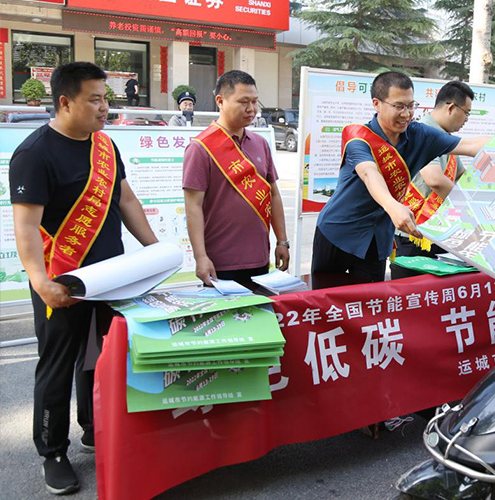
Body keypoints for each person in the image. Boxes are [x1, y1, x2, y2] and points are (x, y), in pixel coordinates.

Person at [10, 62, 158, 495]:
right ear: (65, 102)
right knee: (58, 364)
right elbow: (25, 227)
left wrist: (155, 252)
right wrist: (41, 281)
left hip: (112, 278)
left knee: (102, 358)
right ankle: (53, 451)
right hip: (62, 281)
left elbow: (126, 200)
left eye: (106, 98)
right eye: (95, 99)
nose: (104, 107)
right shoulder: (34, 154)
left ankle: (95, 427)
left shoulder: (104, 145)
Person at [312, 71, 495, 283]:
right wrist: (392, 206)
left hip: (376, 239)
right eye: (399, 106)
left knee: (369, 305)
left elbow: (468, 145)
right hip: (338, 232)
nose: (406, 114)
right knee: (325, 303)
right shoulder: (358, 136)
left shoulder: (420, 135)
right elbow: (368, 173)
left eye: (410, 105)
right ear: (377, 104)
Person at [183, 70, 290, 289]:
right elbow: (193, 207)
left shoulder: (260, 144)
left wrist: (282, 241)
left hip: (260, 259)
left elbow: (273, 194)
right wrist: (200, 257)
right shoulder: (200, 148)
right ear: (220, 101)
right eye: (243, 102)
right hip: (220, 263)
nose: (251, 109)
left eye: (255, 101)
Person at [390, 80, 472, 279]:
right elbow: (434, 179)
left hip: (437, 231)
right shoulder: (423, 131)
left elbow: (461, 175)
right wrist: (469, 208)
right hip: (414, 233)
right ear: (451, 108)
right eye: (467, 113)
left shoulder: (445, 137)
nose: (467, 119)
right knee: (412, 292)